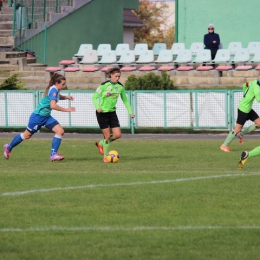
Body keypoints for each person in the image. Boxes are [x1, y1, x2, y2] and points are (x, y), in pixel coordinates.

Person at [3, 73, 76, 161]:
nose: (64, 86)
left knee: (60, 131)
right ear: (57, 83)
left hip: (46, 117)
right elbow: (53, 106)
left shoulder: (55, 90)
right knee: (26, 135)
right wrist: (67, 109)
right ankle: (8, 147)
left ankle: (53, 155)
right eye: (63, 84)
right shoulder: (53, 90)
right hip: (37, 117)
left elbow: (57, 96)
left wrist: (66, 97)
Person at [92, 67, 135, 163]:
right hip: (102, 113)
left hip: (112, 113)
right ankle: (106, 157)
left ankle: (101, 143)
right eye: (116, 76)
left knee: (117, 135)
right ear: (110, 75)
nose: (117, 78)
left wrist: (130, 112)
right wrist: (98, 106)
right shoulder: (103, 86)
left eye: (119, 76)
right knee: (107, 136)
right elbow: (94, 97)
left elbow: (125, 100)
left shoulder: (120, 87)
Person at [220, 75, 260, 153]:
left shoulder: (253, 82)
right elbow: (259, 99)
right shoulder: (257, 87)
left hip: (247, 108)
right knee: (237, 128)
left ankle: (241, 134)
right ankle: (224, 145)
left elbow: (244, 85)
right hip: (243, 109)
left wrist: (245, 96)